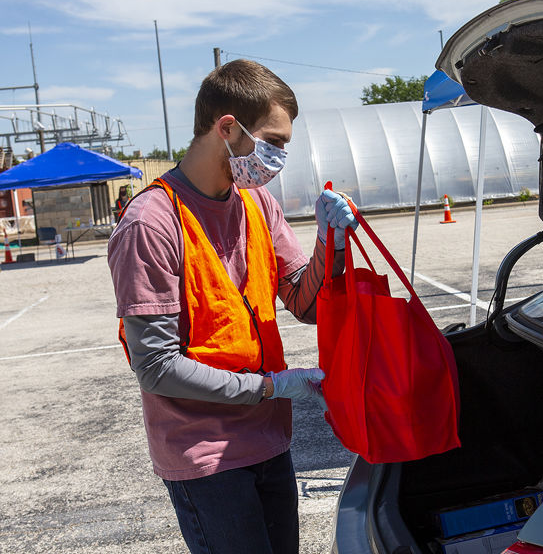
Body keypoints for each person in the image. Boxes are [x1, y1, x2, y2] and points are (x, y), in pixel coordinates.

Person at [107, 59, 357, 554]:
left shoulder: (257, 205)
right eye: (274, 142)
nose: (279, 156)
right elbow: (155, 367)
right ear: (228, 128)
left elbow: (304, 303)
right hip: (205, 455)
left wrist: (331, 245)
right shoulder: (152, 223)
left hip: (269, 439)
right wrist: (272, 387)